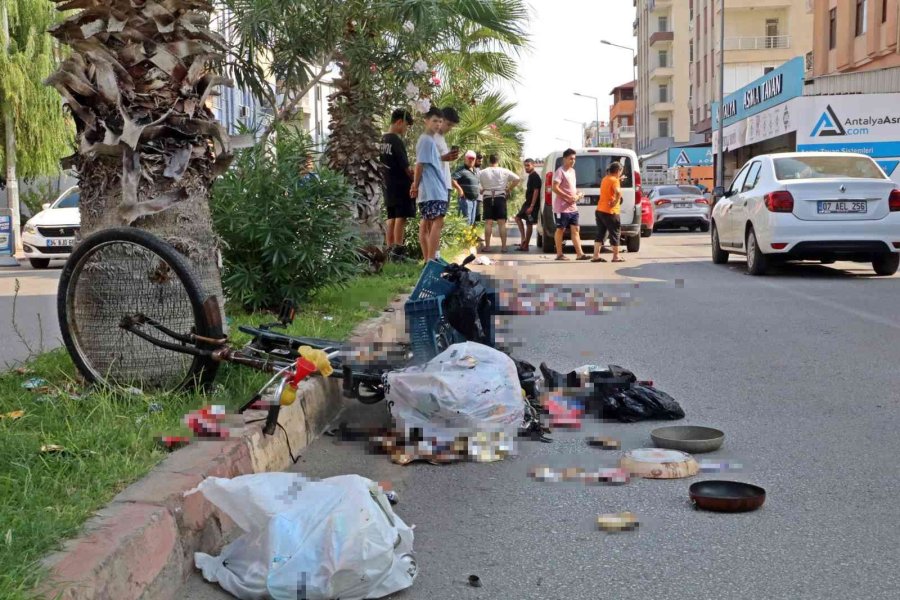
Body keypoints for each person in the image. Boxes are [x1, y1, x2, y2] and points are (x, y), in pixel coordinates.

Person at [411, 107, 449, 261]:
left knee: (427, 223)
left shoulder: (428, 140)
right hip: (434, 189)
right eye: (434, 121)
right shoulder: (426, 140)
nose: (438, 124)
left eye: (440, 121)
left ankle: (428, 260)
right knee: (437, 222)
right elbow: (419, 165)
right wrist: (414, 185)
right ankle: (432, 259)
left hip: (430, 189)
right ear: (425, 121)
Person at [380, 108, 415, 258]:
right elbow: (405, 167)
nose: (406, 129)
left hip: (387, 184)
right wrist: (415, 179)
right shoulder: (395, 140)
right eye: (406, 125)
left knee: (391, 217)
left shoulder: (382, 140)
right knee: (401, 217)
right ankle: (398, 251)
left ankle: (389, 249)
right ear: (399, 122)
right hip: (401, 185)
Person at [478, 154, 521, 253]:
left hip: (488, 197)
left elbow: (475, 181)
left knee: (488, 222)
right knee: (501, 223)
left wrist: (481, 189)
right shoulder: (504, 171)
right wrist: (509, 189)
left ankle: (488, 246)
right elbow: (517, 179)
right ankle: (504, 247)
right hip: (500, 197)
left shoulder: (482, 172)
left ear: (489, 161)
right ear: (498, 161)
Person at [551, 149, 588, 261]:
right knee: (560, 229)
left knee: (576, 229)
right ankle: (559, 254)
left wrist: (578, 194)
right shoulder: (560, 171)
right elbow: (554, 188)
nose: (573, 161)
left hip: (573, 207)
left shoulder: (572, 171)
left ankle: (580, 254)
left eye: (574, 159)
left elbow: (571, 188)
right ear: (565, 159)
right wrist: (568, 197)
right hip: (562, 207)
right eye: (571, 158)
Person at [593, 162, 625, 263]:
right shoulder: (615, 181)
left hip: (600, 210)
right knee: (615, 233)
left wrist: (619, 179)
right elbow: (618, 192)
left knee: (600, 233)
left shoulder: (605, 179)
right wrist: (615, 201)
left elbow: (611, 184)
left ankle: (596, 256)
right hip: (611, 212)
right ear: (618, 171)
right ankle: (616, 256)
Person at [435, 107, 461, 205]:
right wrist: (443, 158)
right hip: (436, 184)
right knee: (434, 218)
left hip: (445, 183)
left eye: (452, 126)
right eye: (448, 124)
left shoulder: (441, 138)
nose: (449, 128)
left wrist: (448, 157)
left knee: (437, 217)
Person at [515, 158, 542, 251]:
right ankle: (524, 240)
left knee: (529, 223)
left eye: (528, 165)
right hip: (528, 203)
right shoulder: (531, 176)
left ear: (533, 165)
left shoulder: (535, 176)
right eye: (525, 165)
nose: (526, 167)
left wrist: (532, 206)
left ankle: (525, 244)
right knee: (518, 218)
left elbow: (536, 191)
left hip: (531, 205)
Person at [452, 151, 481, 226]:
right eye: (469, 158)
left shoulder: (475, 171)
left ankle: (468, 237)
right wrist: (460, 190)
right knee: (465, 221)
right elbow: (452, 180)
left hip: (474, 200)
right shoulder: (461, 170)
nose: (471, 160)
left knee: (471, 221)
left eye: (473, 159)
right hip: (465, 199)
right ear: (465, 159)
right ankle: (463, 237)